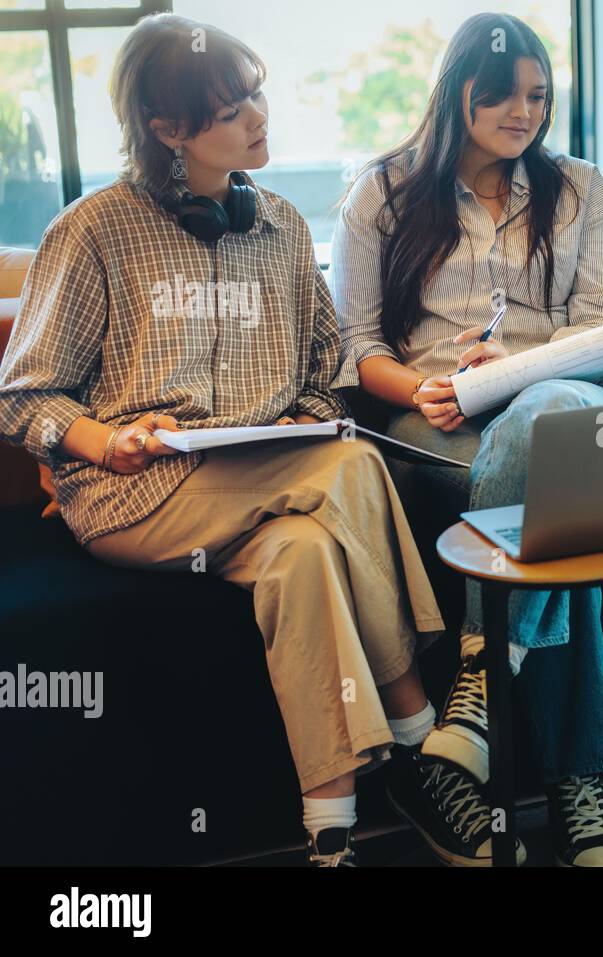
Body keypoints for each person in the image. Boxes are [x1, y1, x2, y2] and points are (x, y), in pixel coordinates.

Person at [0, 14, 457, 868]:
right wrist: (105, 440)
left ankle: (331, 830)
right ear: (168, 131)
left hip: (270, 484)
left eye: (258, 96)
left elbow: (327, 366)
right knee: (351, 463)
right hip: (134, 495)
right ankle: (423, 730)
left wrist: (298, 416)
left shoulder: (281, 226)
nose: (258, 117)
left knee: (303, 556)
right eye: (230, 107)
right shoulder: (93, 230)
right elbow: (22, 395)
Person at [331, 12, 603, 867]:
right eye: (500, 93)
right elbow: (358, 346)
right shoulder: (382, 190)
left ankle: (479, 685)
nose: (523, 112)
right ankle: (579, 788)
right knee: (566, 518)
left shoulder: (576, 187)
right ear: (456, 90)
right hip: (432, 419)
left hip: (562, 400)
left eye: (538, 96)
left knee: (549, 426)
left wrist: (526, 364)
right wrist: (423, 386)